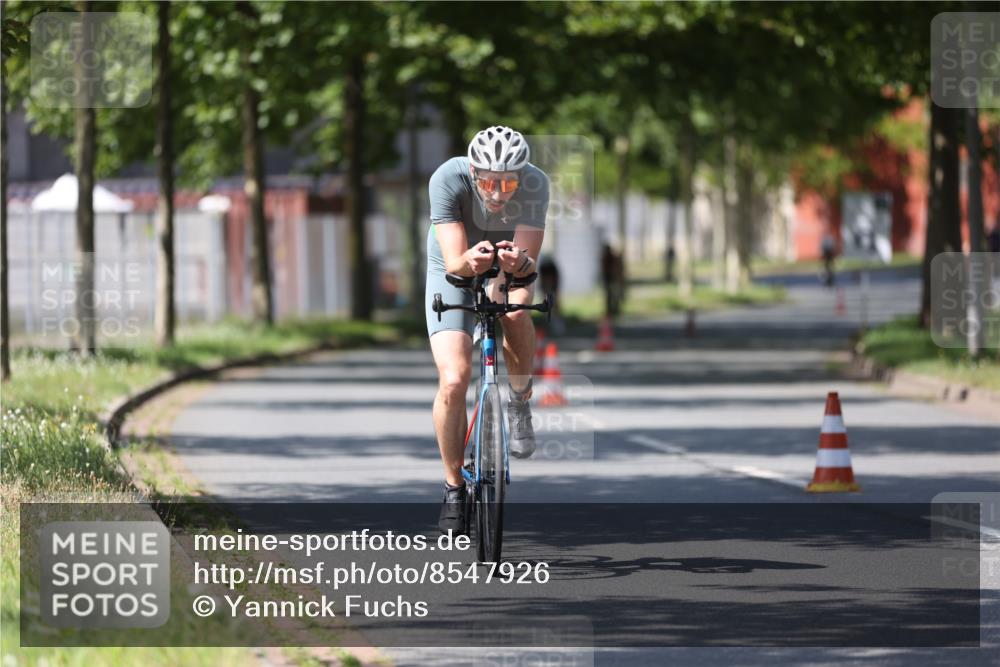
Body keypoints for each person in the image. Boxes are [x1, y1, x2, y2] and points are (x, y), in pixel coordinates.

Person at [425, 126, 549, 535]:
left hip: (505, 261)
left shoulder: (536, 185)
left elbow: (528, 266)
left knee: (515, 312)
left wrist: (516, 266)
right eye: (489, 182)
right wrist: (470, 263)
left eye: (508, 182)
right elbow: (455, 264)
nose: (498, 192)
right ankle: (453, 485)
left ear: (521, 175)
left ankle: (518, 399)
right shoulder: (447, 178)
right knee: (454, 379)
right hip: (455, 263)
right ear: (473, 172)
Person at [538, 255, 564, 335]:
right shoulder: (543, 269)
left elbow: (554, 280)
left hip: (553, 286)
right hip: (546, 285)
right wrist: (544, 288)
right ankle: (547, 324)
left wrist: (552, 288)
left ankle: (558, 324)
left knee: (555, 302)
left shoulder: (553, 270)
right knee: (545, 303)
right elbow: (542, 281)